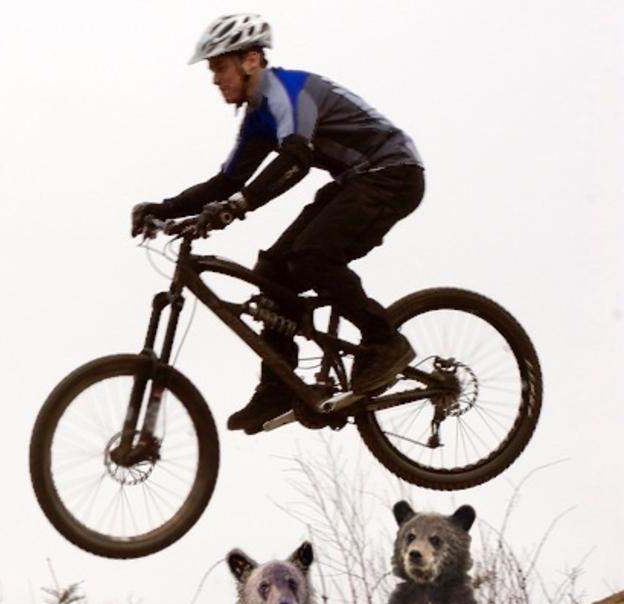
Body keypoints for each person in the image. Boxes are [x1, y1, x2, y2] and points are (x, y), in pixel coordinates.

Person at [132, 13, 425, 434]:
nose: (215, 79)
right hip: (354, 181)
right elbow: (226, 181)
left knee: (312, 256)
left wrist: (236, 206)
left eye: (220, 66)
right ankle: (279, 385)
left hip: (393, 174)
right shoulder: (257, 118)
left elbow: (296, 159)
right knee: (272, 271)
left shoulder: (287, 91)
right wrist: (163, 208)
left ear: (251, 60)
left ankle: (384, 341)